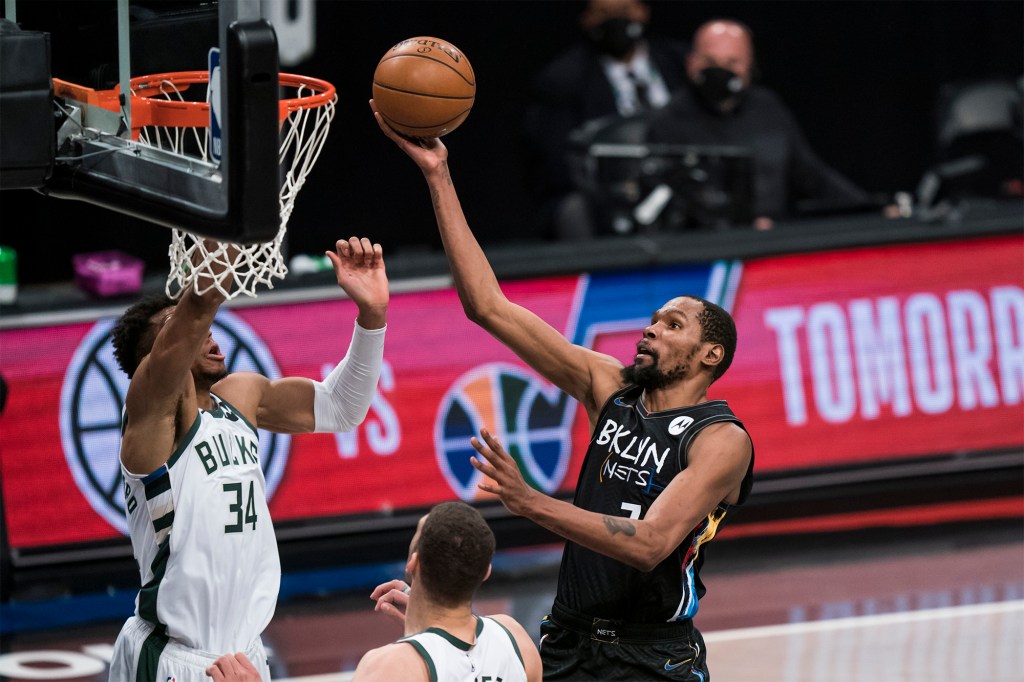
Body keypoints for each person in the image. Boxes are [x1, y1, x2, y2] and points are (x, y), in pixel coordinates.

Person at [372, 105, 754, 680]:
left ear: (711, 356)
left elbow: (650, 544)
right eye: (653, 319)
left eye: (673, 325)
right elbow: (488, 306)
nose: (651, 328)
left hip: (653, 655)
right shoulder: (611, 388)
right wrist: (437, 175)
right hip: (567, 641)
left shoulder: (722, 440)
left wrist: (529, 502)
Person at [107, 237, 389, 682]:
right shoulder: (150, 416)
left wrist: (372, 317)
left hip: (245, 653)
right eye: (182, 332)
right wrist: (233, 223)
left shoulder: (241, 395)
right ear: (154, 358)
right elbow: (197, 308)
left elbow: (342, 408)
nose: (207, 337)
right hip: (173, 655)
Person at [646, 18, 874, 230]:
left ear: (749, 66)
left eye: (732, 63)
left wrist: (870, 209)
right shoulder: (668, 121)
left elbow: (811, 175)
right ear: (691, 63)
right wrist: (741, 225)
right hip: (710, 246)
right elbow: (673, 201)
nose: (720, 72)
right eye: (710, 61)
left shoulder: (767, 108)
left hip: (774, 239)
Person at [523, 0, 690, 240]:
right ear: (587, 19)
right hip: (608, 200)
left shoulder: (682, 63)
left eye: (624, 12)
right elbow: (557, 168)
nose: (616, 22)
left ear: (643, 11)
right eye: (604, 14)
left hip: (682, 187)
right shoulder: (562, 81)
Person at [353, 501, 542, 681]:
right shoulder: (514, 638)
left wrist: (419, 638)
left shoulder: (389, 666)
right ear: (486, 572)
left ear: (414, 563)